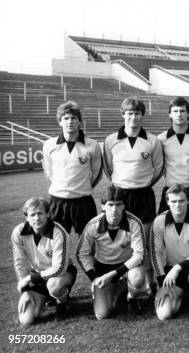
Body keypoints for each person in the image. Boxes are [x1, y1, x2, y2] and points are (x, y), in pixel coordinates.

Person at [103, 96, 163, 294]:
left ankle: (150, 281)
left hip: (143, 195)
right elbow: (107, 168)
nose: (133, 118)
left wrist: (143, 184)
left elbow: (158, 168)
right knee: (123, 240)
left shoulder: (152, 141)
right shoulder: (111, 140)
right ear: (123, 115)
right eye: (129, 113)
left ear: (142, 116)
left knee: (145, 241)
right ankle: (124, 281)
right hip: (120, 196)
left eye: (137, 114)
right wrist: (122, 185)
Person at [77, 186, 146, 319]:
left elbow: (139, 255)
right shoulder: (93, 225)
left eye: (118, 204)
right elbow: (82, 254)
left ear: (124, 206)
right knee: (102, 315)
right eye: (110, 204)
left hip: (126, 266)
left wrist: (113, 274)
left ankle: (131, 299)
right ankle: (117, 287)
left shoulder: (135, 223)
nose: (114, 209)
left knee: (137, 277)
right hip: (102, 267)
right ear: (103, 206)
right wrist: (93, 278)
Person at [151, 185, 189, 320]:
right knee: (164, 314)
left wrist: (179, 267)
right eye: (173, 201)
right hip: (171, 274)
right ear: (167, 202)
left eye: (181, 201)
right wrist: (162, 284)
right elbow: (155, 253)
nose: (177, 205)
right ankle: (183, 293)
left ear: (188, 201)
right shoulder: (159, 221)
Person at [11, 197, 75, 325]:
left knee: (54, 286)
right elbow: (19, 262)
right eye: (32, 215)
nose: (36, 218)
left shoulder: (59, 232)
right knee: (26, 320)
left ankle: (62, 302)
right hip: (37, 276)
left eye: (40, 213)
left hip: (62, 274)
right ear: (26, 217)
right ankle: (46, 297)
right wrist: (25, 291)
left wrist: (29, 279)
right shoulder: (18, 232)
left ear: (48, 214)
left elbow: (59, 268)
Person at [42, 101, 102, 237]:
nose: (70, 122)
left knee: (89, 244)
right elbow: (49, 172)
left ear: (80, 122)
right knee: (56, 245)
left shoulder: (92, 145)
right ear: (60, 122)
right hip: (58, 203)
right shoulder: (49, 145)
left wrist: (82, 187)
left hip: (84, 202)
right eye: (66, 118)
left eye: (74, 118)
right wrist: (63, 187)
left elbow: (97, 173)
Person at [157, 97, 189, 215]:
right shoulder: (161, 139)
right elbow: (160, 167)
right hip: (172, 191)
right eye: (175, 111)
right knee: (169, 228)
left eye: (182, 111)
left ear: (188, 113)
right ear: (170, 115)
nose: (179, 114)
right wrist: (171, 180)